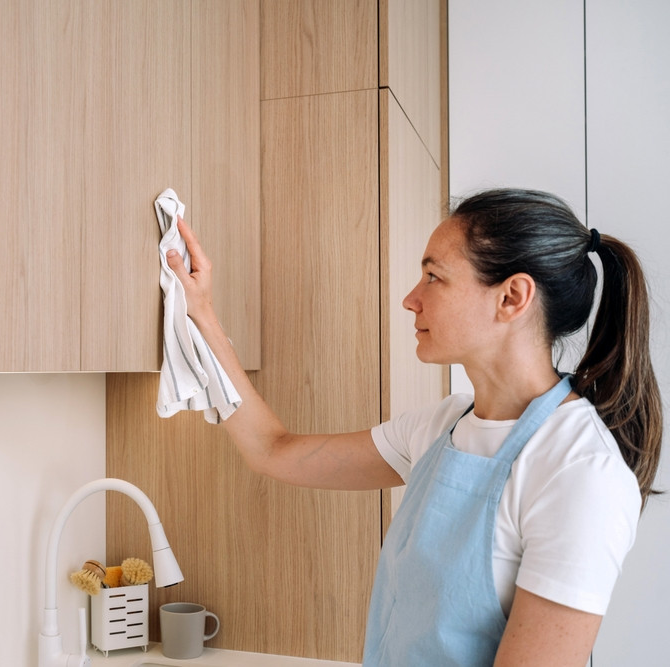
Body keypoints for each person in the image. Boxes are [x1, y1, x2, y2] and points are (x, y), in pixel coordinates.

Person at [164, 188, 663, 667]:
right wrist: (202, 313)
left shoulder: (579, 473)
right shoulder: (441, 427)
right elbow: (272, 450)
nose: (410, 299)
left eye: (433, 277)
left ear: (511, 297)